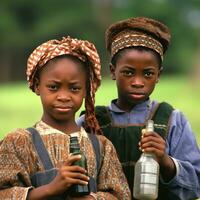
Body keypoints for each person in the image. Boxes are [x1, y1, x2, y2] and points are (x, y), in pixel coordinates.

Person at [77, 17, 200, 199]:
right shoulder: (90, 122)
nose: (137, 82)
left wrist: (165, 161)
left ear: (159, 75)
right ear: (112, 71)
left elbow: (195, 185)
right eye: (128, 72)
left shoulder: (172, 120)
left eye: (148, 74)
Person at [0, 36, 131, 200]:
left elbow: (120, 195)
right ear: (37, 85)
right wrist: (50, 188)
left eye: (74, 88)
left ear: (86, 90)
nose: (63, 96)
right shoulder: (18, 142)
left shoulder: (101, 147)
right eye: (53, 87)